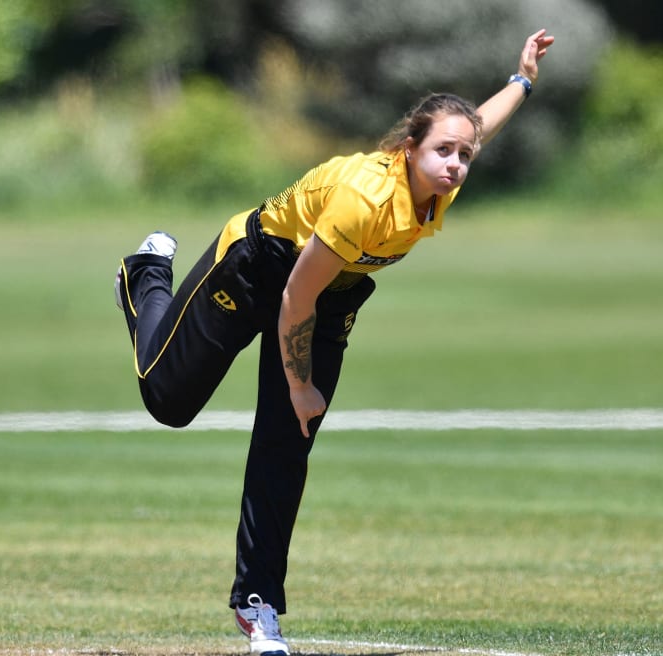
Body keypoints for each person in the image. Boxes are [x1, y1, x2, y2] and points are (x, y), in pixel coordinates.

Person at [113, 29, 554, 656]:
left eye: (464, 154)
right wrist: (299, 385)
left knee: (286, 443)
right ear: (409, 149)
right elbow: (294, 299)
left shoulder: (442, 179)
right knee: (167, 400)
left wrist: (522, 78)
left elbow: (479, 123)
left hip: (331, 292)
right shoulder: (364, 200)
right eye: (444, 152)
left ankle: (256, 604)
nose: (456, 164)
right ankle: (145, 273)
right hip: (260, 264)